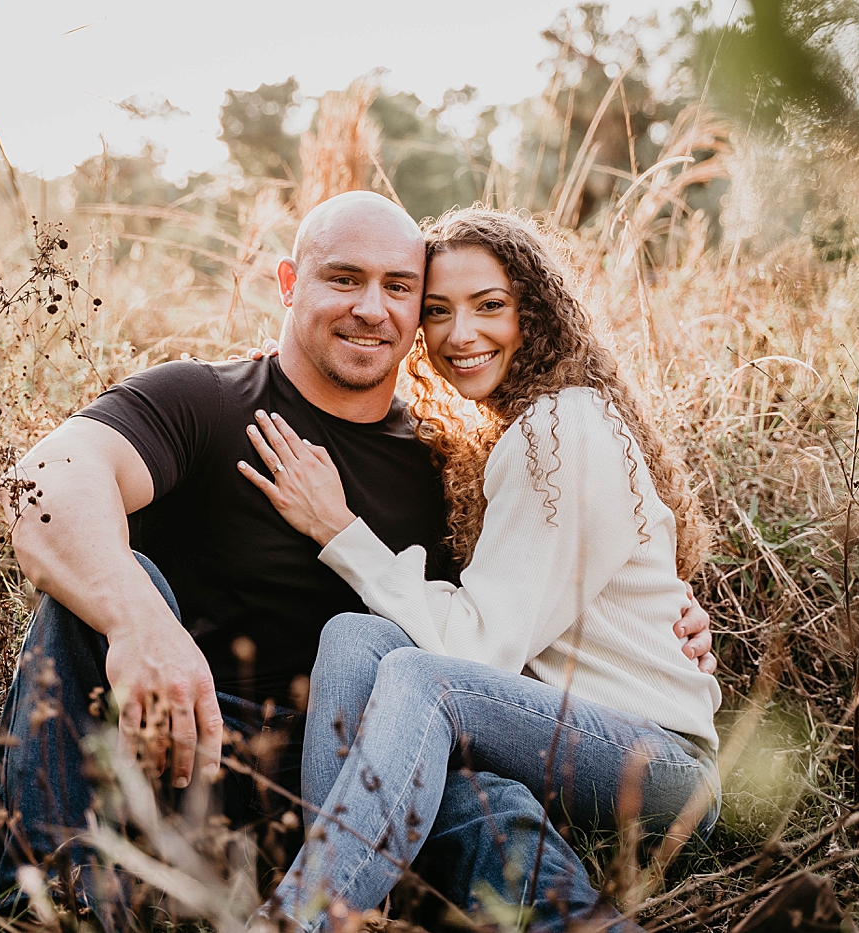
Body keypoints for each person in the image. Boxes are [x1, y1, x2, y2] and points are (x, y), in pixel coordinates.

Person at [0, 191, 716, 926]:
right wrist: (139, 624)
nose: (374, 308)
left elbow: (504, 621)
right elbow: (44, 482)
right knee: (108, 585)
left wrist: (665, 609)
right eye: (344, 279)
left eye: (401, 288)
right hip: (188, 744)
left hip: (363, 773)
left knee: (481, 791)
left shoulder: (451, 467)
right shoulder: (205, 400)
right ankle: (55, 899)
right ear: (289, 283)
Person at [239, 207, 722, 933]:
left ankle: (304, 917)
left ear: (536, 308)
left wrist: (340, 529)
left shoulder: (562, 427)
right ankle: (352, 885)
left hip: (658, 763)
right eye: (438, 311)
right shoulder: (523, 430)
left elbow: (474, 653)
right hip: (561, 738)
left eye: (489, 305)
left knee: (419, 678)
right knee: (353, 636)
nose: (460, 334)